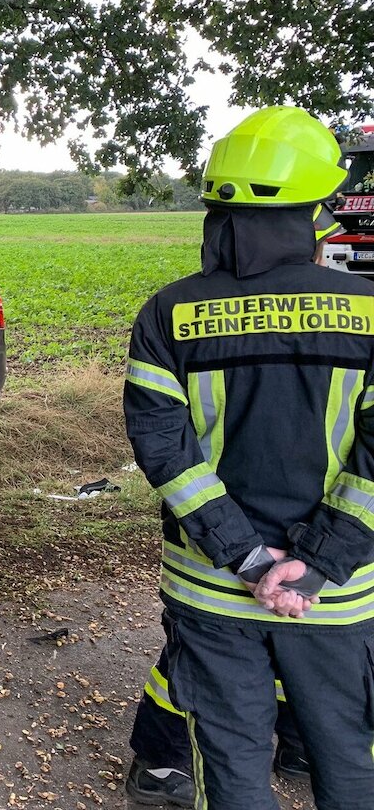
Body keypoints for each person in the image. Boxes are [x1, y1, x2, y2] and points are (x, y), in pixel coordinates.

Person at [123, 106, 374, 810]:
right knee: (350, 758)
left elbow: (166, 453)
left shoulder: (169, 314)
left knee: (229, 766)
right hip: (335, 597)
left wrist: (249, 560)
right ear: (317, 212)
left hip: (212, 588)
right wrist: (319, 563)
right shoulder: (369, 311)